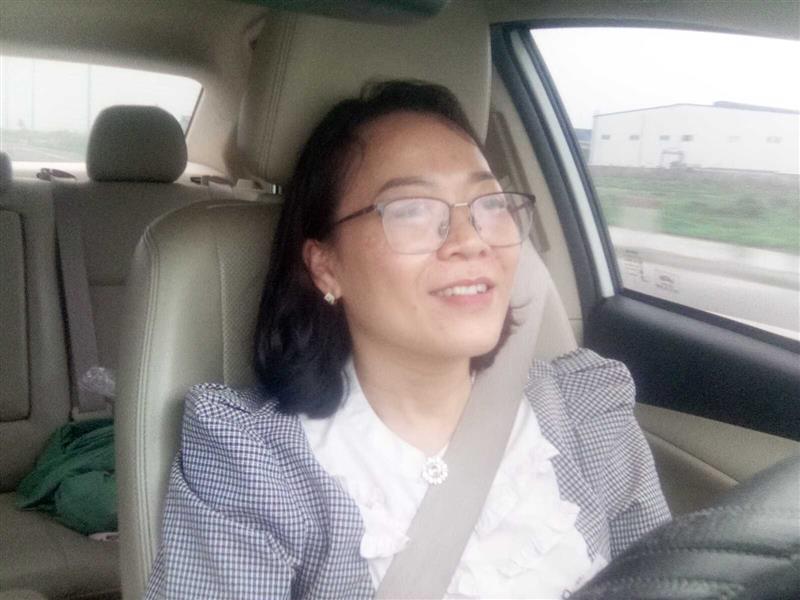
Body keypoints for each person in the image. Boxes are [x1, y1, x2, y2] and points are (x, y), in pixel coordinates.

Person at [146, 80, 670, 599]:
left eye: (489, 203)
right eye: (412, 210)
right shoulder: (255, 463)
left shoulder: (584, 408)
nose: (471, 241)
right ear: (326, 267)